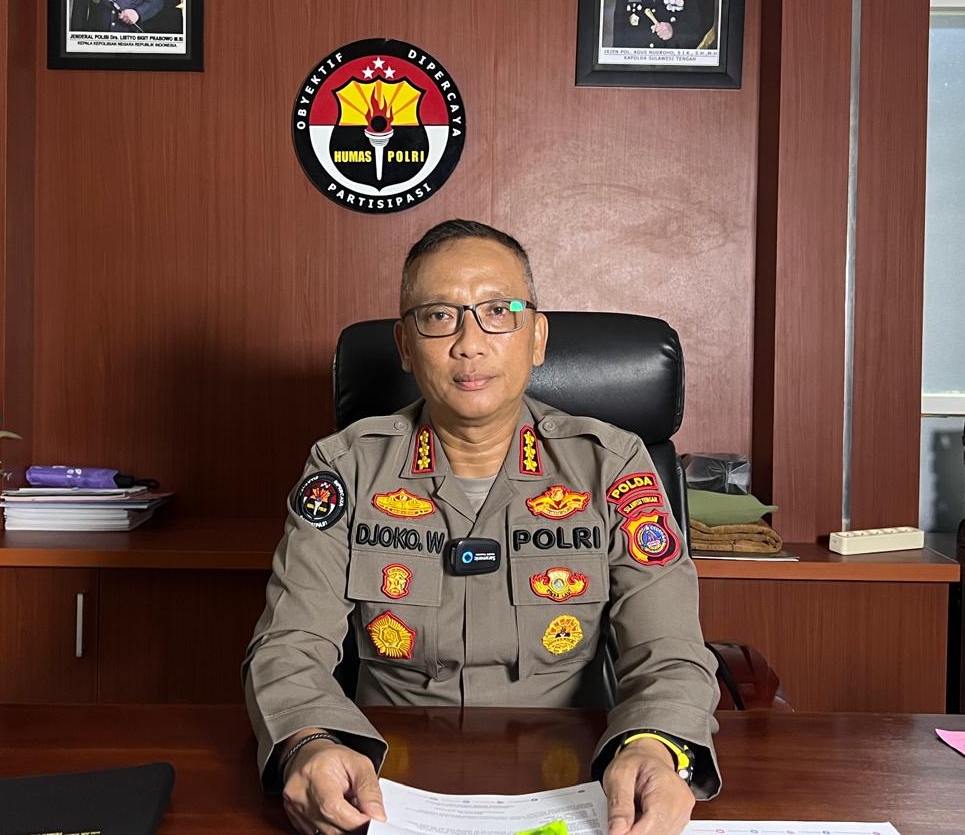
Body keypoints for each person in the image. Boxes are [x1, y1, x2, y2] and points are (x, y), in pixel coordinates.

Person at [244, 219, 720, 835]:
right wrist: (309, 742)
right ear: (405, 346)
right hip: (384, 783)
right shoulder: (347, 467)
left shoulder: (610, 464)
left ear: (537, 336)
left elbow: (670, 649)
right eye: (439, 316)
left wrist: (655, 746)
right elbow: (290, 644)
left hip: (574, 780)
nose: (469, 344)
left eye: (499, 311)